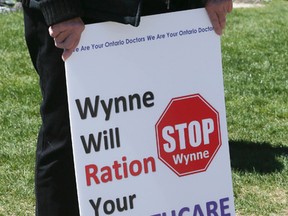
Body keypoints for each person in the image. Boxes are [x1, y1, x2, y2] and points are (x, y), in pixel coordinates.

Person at [22, 0, 232, 215]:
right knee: (69, 140)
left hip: (169, 15)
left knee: (157, 137)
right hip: (80, 18)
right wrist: (59, 9)